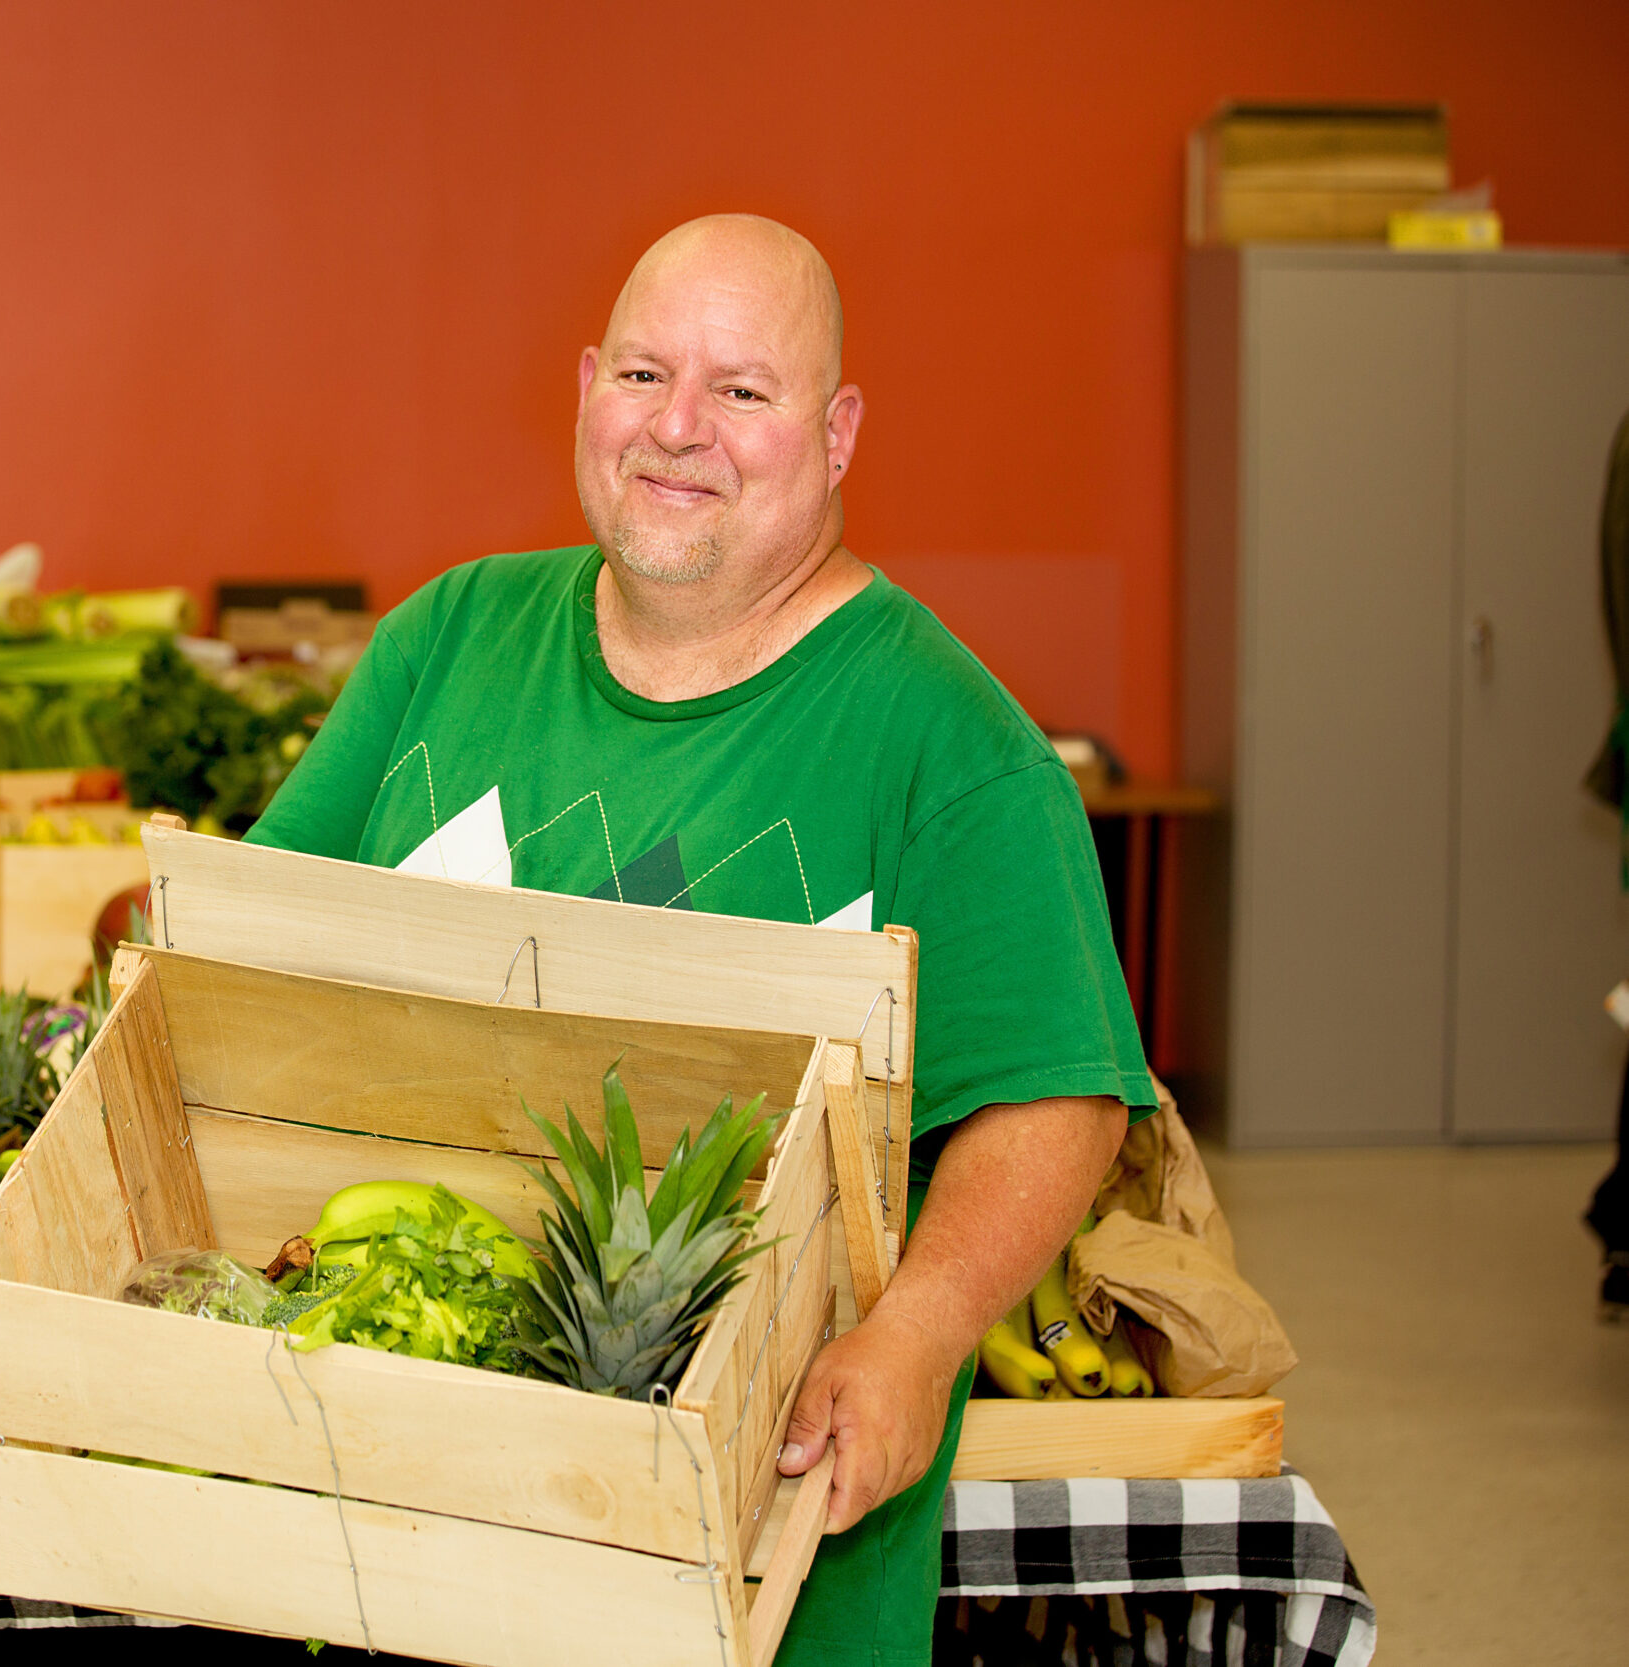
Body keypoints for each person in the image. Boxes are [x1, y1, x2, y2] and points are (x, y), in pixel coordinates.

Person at [246, 213, 1155, 1664]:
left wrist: (919, 1334)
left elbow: (1059, 1099)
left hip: (752, 1554)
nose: (680, 431)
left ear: (840, 431)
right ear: (587, 387)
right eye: (647, 378)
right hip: (387, 1521)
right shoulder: (447, 637)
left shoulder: (952, 749)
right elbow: (254, 940)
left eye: (744, 392)